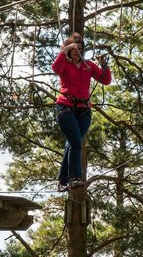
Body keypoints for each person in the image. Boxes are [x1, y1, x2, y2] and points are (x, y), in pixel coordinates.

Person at [51, 32, 111, 191]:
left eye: (79, 50)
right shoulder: (64, 63)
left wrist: (104, 65)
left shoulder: (88, 65)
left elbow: (105, 80)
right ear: (68, 50)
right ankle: (74, 178)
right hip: (65, 108)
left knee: (71, 143)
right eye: (73, 50)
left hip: (83, 110)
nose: (77, 53)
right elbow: (55, 69)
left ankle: (62, 181)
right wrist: (64, 52)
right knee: (76, 142)